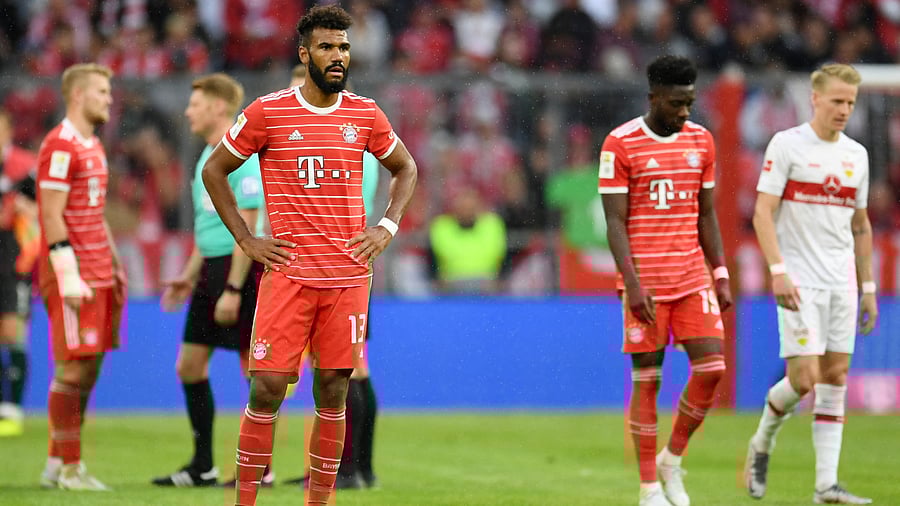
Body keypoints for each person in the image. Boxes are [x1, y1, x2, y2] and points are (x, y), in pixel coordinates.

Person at [201, 6, 417, 506]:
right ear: (305, 53)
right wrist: (246, 240)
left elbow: (406, 168)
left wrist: (386, 226)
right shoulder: (268, 112)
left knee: (334, 390)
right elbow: (215, 170)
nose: (338, 56)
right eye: (326, 47)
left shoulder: (366, 114)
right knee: (266, 387)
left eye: (343, 47)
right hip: (289, 276)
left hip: (347, 279)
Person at [599, 55, 733, 506]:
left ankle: (671, 459)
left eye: (689, 102)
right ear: (653, 97)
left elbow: (706, 213)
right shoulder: (620, 144)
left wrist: (720, 272)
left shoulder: (702, 140)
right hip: (646, 283)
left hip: (692, 275)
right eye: (676, 103)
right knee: (648, 381)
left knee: (712, 370)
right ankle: (648, 489)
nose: (684, 112)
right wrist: (632, 284)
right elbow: (614, 222)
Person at [744, 63, 877, 505]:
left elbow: (861, 225)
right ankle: (762, 440)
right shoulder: (787, 145)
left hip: (842, 281)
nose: (844, 110)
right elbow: (763, 212)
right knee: (804, 378)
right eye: (837, 100)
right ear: (815, 99)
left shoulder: (856, 155)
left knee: (835, 375)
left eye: (850, 103)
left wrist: (868, 288)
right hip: (800, 278)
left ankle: (825, 486)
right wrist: (777, 270)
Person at [151, 73, 269, 488]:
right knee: (189, 366)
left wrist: (234, 288)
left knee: (254, 370)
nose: (188, 112)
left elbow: (247, 228)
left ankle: (261, 467)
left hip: (240, 270)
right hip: (209, 270)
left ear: (219, 107)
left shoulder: (242, 156)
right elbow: (210, 228)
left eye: (195, 104)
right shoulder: (207, 155)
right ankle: (203, 466)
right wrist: (188, 276)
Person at [281, 63, 382, 490]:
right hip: (346, 260)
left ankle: (347, 470)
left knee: (345, 369)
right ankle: (360, 469)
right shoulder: (356, 138)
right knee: (355, 367)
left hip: (336, 264)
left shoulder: (346, 138)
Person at [35, 62, 127, 491]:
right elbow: (51, 214)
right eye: (102, 92)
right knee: (72, 370)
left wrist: (114, 261)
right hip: (72, 274)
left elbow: (94, 212)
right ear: (77, 95)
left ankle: (57, 464)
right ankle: (70, 469)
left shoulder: (93, 144)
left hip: (100, 272)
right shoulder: (60, 144)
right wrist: (68, 274)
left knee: (89, 369)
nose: (109, 99)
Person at [0, 109, 38, 437]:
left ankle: (12, 409)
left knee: (13, 331)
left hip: (15, 262)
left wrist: (28, 211)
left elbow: (45, 209)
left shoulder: (26, 166)